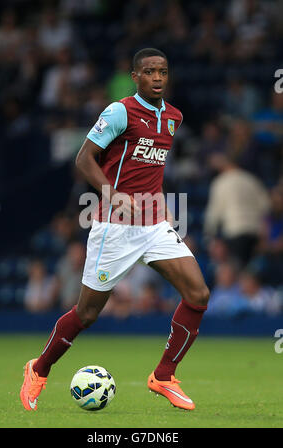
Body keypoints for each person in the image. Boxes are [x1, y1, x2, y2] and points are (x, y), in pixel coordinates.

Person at [20, 48, 210, 412]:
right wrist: (112, 193)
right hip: (114, 227)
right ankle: (39, 369)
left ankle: (164, 376)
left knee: (198, 293)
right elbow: (84, 158)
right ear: (135, 76)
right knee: (87, 314)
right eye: (149, 71)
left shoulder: (174, 117)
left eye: (163, 71)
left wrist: (162, 199)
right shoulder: (119, 111)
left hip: (153, 224)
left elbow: (150, 165)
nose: (157, 77)